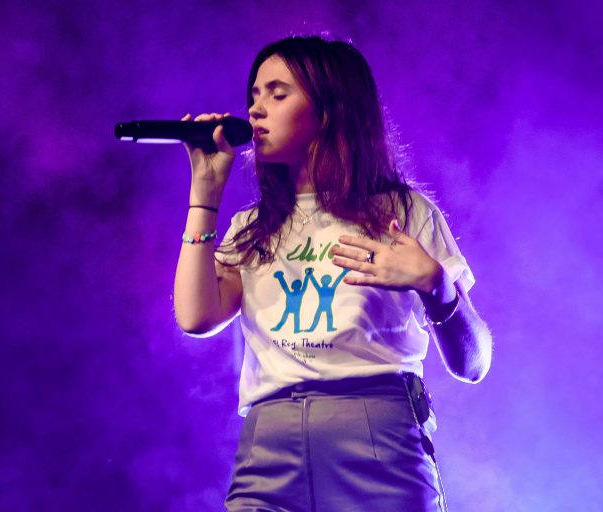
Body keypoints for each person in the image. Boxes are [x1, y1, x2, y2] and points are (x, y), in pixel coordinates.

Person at [173, 34, 492, 512]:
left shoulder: (403, 211)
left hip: (376, 435)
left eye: (278, 94)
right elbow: (195, 317)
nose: (256, 111)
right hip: (269, 441)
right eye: (254, 97)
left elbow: (473, 365)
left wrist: (437, 288)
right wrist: (205, 195)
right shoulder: (252, 227)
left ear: (330, 109)